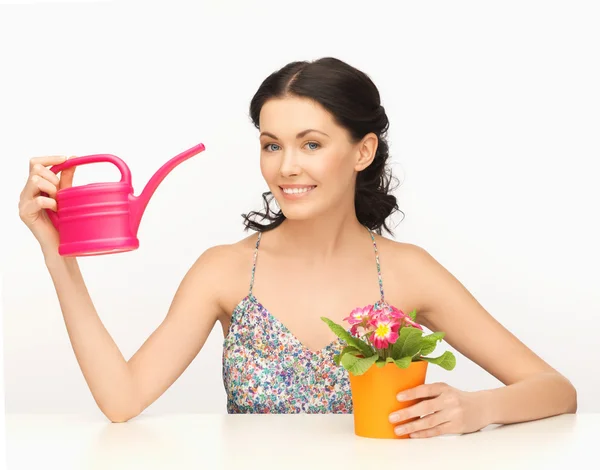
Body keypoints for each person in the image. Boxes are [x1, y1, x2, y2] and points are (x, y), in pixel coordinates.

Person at [18, 57, 576, 438]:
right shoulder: (225, 272)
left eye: (311, 144)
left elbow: (555, 390)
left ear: (362, 151)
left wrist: (476, 409)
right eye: (271, 144)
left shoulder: (408, 272)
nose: (286, 167)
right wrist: (57, 253)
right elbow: (122, 400)